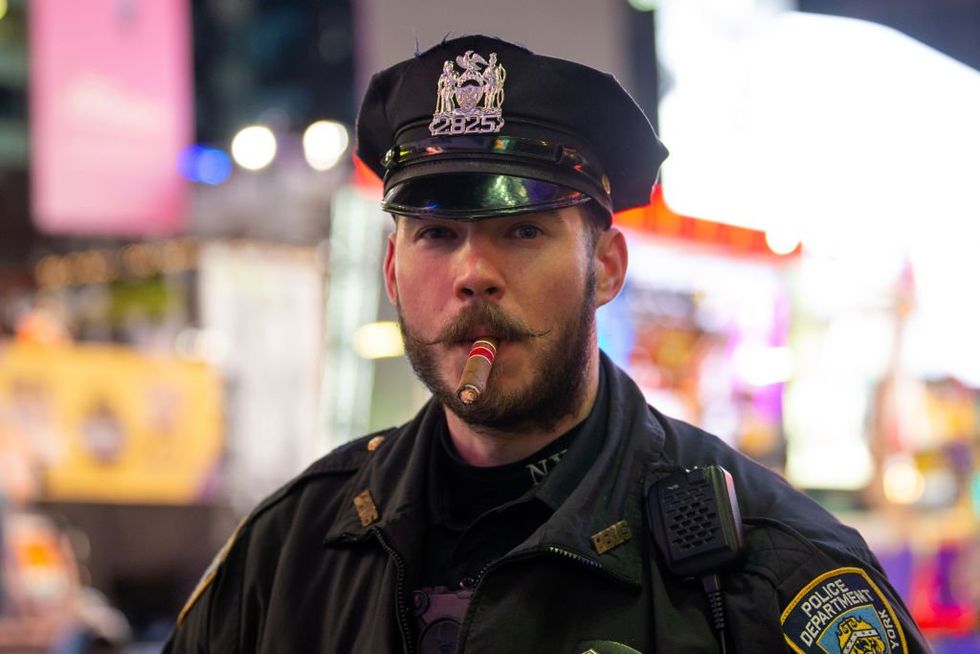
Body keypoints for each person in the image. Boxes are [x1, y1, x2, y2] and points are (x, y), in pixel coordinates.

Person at [165, 35, 931, 653]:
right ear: (393, 270)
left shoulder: (773, 571)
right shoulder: (293, 548)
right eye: (437, 232)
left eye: (522, 231)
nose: (473, 274)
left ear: (604, 266)